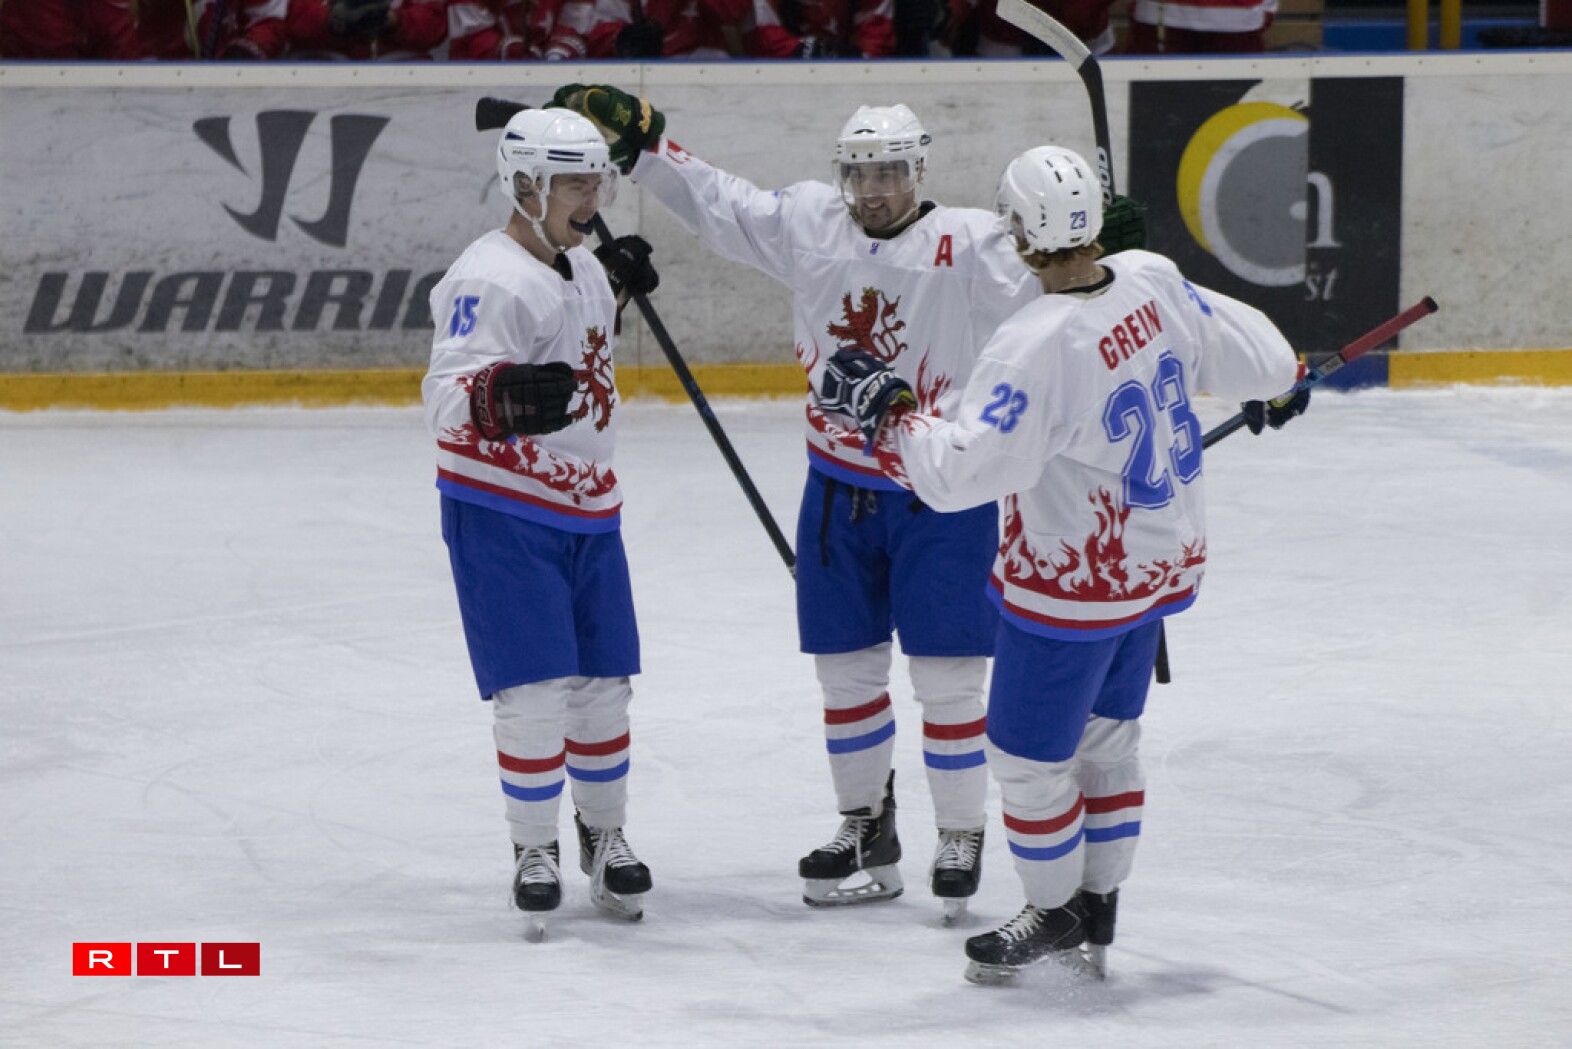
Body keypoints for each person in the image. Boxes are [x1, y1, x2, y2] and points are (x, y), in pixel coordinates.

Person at [547, 84, 1056, 920]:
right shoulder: (813, 223)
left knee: (948, 679)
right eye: (860, 174)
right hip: (837, 492)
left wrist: (1103, 255)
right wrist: (646, 151)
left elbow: (1060, 291)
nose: (873, 192)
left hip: (940, 491)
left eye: (889, 173)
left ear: (919, 170)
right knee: (846, 672)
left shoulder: (971, 243)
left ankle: (960, 832)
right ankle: (865, 825)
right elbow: (721, 205)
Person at [818, 145, 1307, 981]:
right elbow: (1260, 357)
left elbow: (960, 473)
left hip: (1074, 584)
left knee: (1025, 755)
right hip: (1159, 567)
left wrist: (890, 415)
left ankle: (1054, 907)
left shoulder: (1034, 342)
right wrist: (1284, 380)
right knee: (1109, 738)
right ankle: (1101, 898)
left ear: (1017, 233)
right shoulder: (1150, 277)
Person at [421, 107, 662, 931]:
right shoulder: (485, 277)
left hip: (589, 506)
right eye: (573, 184)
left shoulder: (580, 264)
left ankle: (606, 833)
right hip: (504, 508)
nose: (591, 199)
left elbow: (575, 352)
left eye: (597, 182)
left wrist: (614, 287)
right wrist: (491, 395)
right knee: (532, 690)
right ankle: (534, 846)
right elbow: (443, 395)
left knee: (603, 686)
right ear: (526, 187)